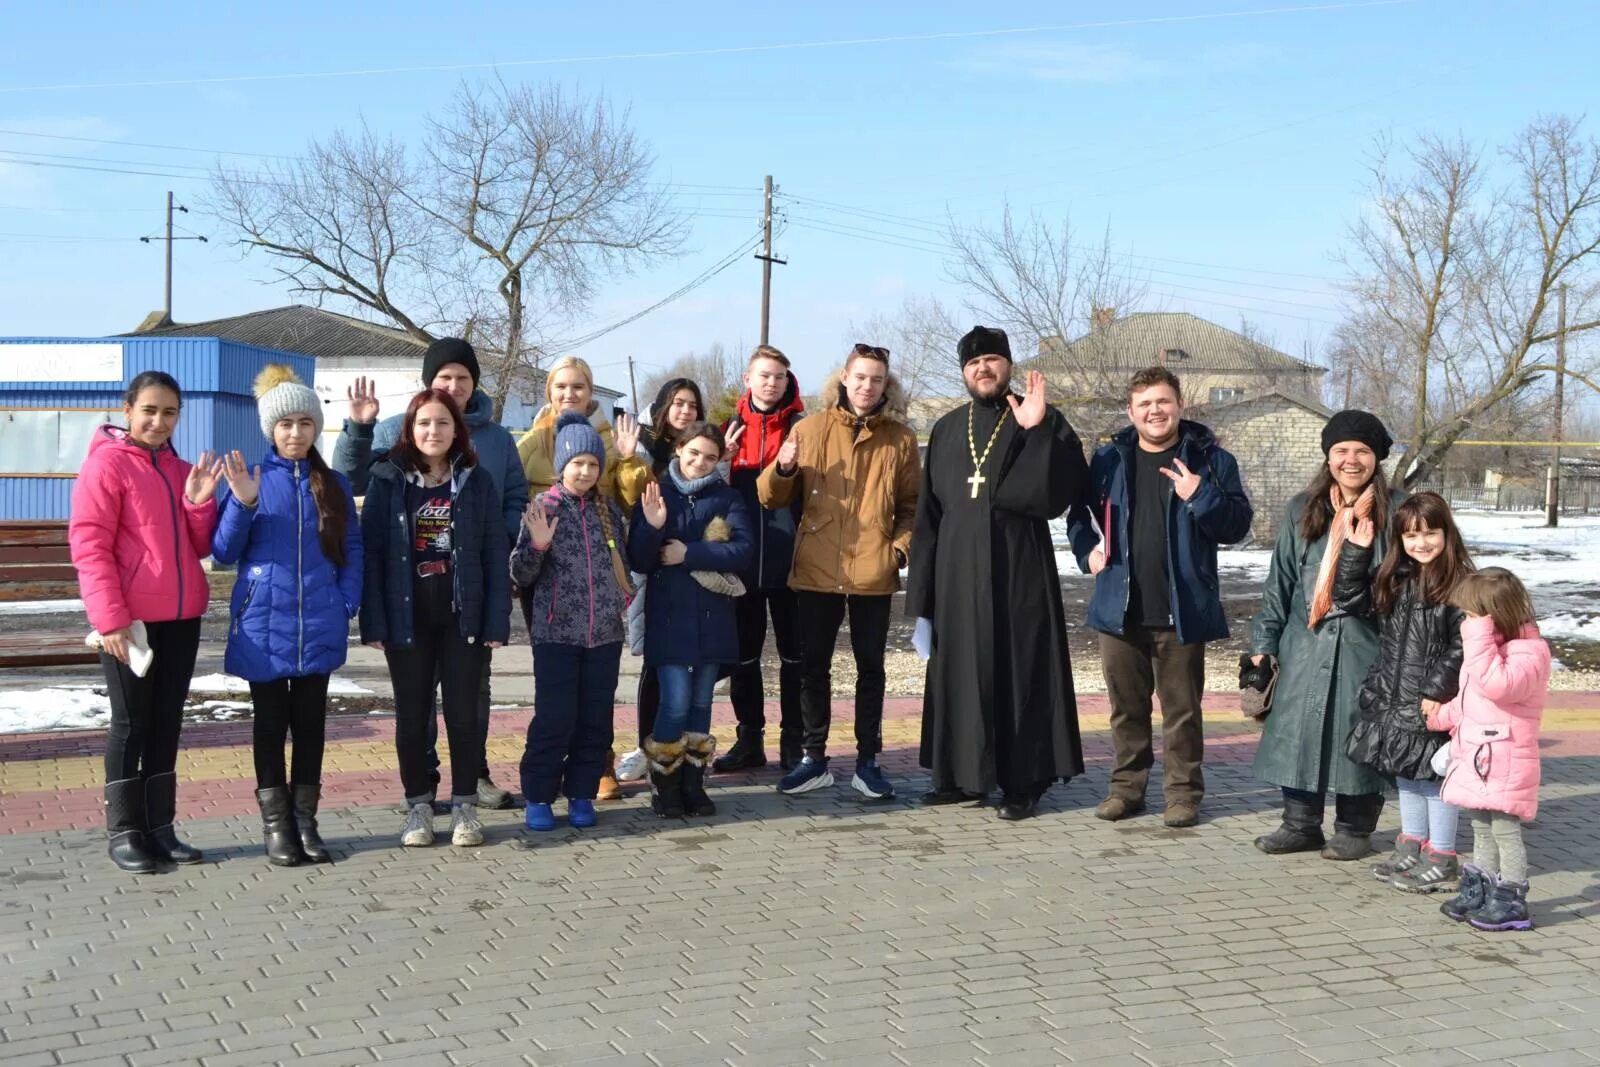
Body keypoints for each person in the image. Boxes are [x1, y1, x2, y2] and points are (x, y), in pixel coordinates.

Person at [335, 337, 528, 811]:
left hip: (469, 594)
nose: (454, 386)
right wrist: (358, 428)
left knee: (470, 702)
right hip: (411, 600)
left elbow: (515, 496)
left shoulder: (497, 440)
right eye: (445, 377)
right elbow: (354, 478)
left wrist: (496, 538)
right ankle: (421, 789)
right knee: (415, 707)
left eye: (463, 378)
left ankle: (474, 780)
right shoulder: (396, 432)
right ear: (428, 386)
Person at [907, 326, 1090, 821]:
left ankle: (1022, 782)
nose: (982, 369)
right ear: (963, 372)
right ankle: (963, 777)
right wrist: (921, 602)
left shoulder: (1038, 417)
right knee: (961, 675)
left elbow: (1055, 494)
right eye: (972, 364)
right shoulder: (946, 429)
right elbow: (928, 518)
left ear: (1008, 365)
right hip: (955, 580)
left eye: (991, 360)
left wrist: (1038, 427)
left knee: (1019, 671)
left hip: (1018, 572)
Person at [1067, 366, 1253, 829]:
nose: (1155, 411)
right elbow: (1078, 514)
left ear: (1180, 405)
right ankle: (1126, 790)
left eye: (1163, 402)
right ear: (1131, 411)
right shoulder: (1109, 459)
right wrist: (1086, 549)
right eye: (1145, 403)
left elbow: (1237, 526)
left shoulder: (1212, 461)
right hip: (1119, 606)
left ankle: (1183, 795)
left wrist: (1199, 494)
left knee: (1182, 712)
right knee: (1126, 710)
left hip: (1181, 609)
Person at [69, 371, 222, 872]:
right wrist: (110, 620)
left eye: (170, 412)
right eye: (150, 410)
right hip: (129, 623)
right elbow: (90, 547)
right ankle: (124, 831)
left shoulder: (181, 470)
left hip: (180, 617)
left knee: (166, 723)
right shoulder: (106, 466)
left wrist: (199, 503)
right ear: (129, 409)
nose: (159, 421)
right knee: (131, 724)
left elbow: (201, 547)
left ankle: (160, 827)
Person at [212, 366, 362, 866]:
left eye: (304, 423)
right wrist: (242, 502)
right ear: (269, 430)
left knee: (312, 726)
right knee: (270, 725)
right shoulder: (250, 479)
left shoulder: (334, 485)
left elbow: (353, 551)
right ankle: (277, 827)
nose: (295, 433)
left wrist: (346, 604)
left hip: (320, 620)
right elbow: (224, 551)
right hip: (264, 625)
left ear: (317, 427)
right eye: (285, 425)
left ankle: (306, 822)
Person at [757, 344, 919, 798]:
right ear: (843, 378)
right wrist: (784, 468)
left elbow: (912, 507)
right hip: (816, 569)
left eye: (877, 379)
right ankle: (814, 759)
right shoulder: (809, 430)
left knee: (871, 669)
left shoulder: (900, 439)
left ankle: (869, 761)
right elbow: (770, 497)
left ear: (886, 385)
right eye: (861, 377)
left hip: (873, 571)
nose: (868, 387)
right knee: (814, 667)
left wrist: (899, 552)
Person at [1248, 409, 1406, 860]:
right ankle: (1299, 824)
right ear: (1328, 457)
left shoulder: (1397, 510)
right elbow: (1279, 582)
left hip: (1367, 641)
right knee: (1299, 729)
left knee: (1358, 731)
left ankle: (1355, 829)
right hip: (1305, 641)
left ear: (1377, 459)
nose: (1351, 460)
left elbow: (1406, 582)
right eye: (1341, 451)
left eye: (1361, 451)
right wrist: (1263, 645)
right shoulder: (1303, 508)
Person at [360, 390, 511, 849]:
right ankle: (418, 807)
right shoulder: (387, 479)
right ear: (410, 428)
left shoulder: (476, 480)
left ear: (456, 430)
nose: (433, 432)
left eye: (442, 423)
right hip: (408, 616)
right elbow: (374, 556)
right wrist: (376, 623)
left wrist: (495, 622)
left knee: (464, 715)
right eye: (424, 423)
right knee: (412, 717)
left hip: (461, 615)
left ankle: (465, 805)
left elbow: (492, 552)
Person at [517, 355, 649, 799]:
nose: (570, 394)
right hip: (551, 593)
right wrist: (533, 540)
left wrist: (628, 463)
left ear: (591, 391)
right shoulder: (534, 441)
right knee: (555, 708)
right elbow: (512, 496)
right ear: (549, 392)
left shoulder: (611, 442)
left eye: (579, 386)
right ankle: (541, 792)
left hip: (601, 604)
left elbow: (630, 505)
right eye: (562, 387)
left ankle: (591, 780)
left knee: (595, 708)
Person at [1345, 492, 1473, 892]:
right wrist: (1357, 553)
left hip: (1432, 703)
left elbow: (1462, 644)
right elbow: (1349, 599)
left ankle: (1443, 855)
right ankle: (1413, 843)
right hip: (1394, 698)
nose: (1421, 543)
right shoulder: (1399, 579)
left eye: (1430, 533)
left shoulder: (1461, 584)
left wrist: (1437, 689)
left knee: (1435, 779)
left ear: (1446, 533)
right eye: (1411, 536)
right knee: (1408, 774)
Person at [628, 422, 752, 816]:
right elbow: (640, 559)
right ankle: (664, 786)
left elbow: (743, 551)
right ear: (679, 449)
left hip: (714, 621)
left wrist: (690, 554)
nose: (700, 462)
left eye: (711, 457)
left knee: (700, 703)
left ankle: (693, 785)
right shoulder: (657, 492)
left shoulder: (728, 498)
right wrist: (652, 526)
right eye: (694, 452)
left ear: (719, 461)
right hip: (668, 621)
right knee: (675, 701)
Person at [1430, 568, 1550, 932]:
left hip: (1505, 760)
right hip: (1479, 758)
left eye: (1470, 615)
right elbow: (1473, 698)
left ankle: (1512, 896)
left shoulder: (1529, 652)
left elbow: (1497, 687)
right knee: (1481, 827)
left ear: (1491, 616)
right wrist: (1442, 716)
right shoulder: (1489, 652)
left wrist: (1478, 638)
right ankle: (1479, 886)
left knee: (1505, 830)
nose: (1465, 623)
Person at [714, 345, 806, 773]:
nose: (771, 383)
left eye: (779, 377)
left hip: (793, 565)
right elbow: (707, 494)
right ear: (748, 380)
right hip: (743, 565)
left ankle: (795, 740)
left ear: (788, 382)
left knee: (795, 657)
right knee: (744, 657)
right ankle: (750, 739)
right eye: (764, 375)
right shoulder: (726, 430)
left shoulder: (804, 429)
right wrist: (723, 462)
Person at [617, 377, 709, 783]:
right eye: (678, 403)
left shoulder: (703, 450)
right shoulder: (643, 448)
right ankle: (644, 745)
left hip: (691, 574)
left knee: (690, 674)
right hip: (649, 563)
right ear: (662, 406)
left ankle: (682, 750)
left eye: (692, 404)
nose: (685, 410)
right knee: (654, 663)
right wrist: (629, 461)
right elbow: (628, 500)